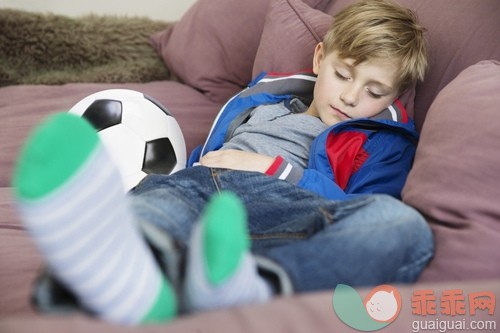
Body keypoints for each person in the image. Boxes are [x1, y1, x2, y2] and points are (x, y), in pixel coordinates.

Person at [12, 0, 433, 325]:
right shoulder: (263, 101)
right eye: (343, 75)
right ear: (320, 59)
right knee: (155, 209)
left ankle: (249, 285)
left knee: (404, 226)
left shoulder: (384, 143)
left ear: (393, 97)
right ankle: (127, 273)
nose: (351, 97)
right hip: (200, 188)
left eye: (375, 91)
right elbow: (206, 160)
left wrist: (270, 170)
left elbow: (356, 205)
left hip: (289, 209)